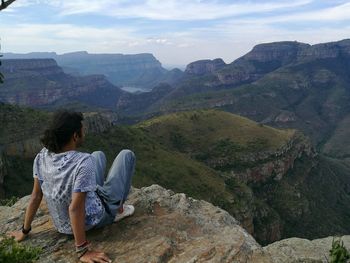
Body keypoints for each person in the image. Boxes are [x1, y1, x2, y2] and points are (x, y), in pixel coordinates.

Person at [9, 111, 136, 263]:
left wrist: (25, 231)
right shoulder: (83, 161)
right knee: (126, 155)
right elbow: (75, 208)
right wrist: (82, 250)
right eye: (82, 130)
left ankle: (111, 204)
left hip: (62, 226)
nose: (85, 132)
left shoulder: (41, 156)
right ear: (75, 136)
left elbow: (36, 195)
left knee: (98, 155)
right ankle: (117, 210)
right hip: (92, 220)